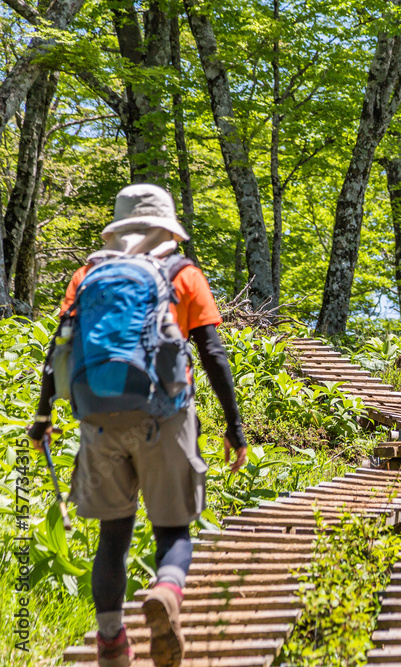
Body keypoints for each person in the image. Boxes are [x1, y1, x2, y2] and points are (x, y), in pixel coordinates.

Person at [27, 184, 247, 667]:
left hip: (99, 420)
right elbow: (212, 353)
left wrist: (43, 417)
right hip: (165, 418)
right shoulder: (182, 273)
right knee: (174, 532)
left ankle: (110, 643)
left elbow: (59, 348)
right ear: (167, 227)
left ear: (119, 225)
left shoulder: (88, 274)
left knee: (113, 534)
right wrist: (234, 426)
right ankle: (167, 594)